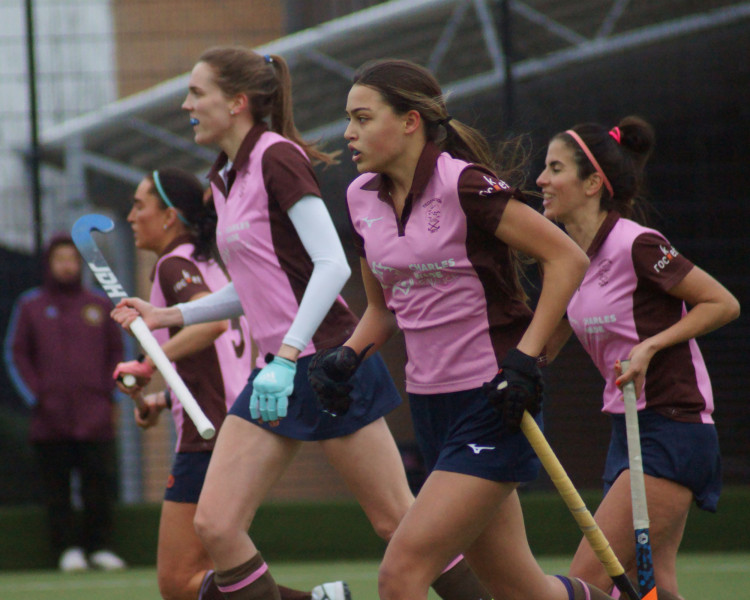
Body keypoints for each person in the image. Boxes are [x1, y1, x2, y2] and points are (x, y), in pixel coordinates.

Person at [111, 46, 491, 600]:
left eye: (197, 92)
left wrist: (288, 356)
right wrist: (169, 314)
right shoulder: (222, 177)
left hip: (327, 365)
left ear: (238, 102)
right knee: (216, 525)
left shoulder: (276, 157)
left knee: (398, 526)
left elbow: (332, 265)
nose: (186, 103)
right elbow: (262, 282)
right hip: (278, 371)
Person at [320, 57, 616, 600]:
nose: (348, 132)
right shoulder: (360, 197)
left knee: (401, 574)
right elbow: (382, 309)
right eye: (349, 119)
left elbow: (568, 260)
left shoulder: (466, 186)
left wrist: (527, 360)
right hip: (431, 404)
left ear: (410, 121)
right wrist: (346, 357)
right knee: (519, 588)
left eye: (362, 117)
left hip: (493, 399)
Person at [113, 168, 341, 600]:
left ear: (169, 217)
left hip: (210, 429)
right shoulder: (208, 262)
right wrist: (161, 399)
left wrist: (146, 364)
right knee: (203, 571)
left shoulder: (173, 264)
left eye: (140, 205)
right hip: (231, 415)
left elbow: (212, 325)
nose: (130, 216)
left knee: (181, 580)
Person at [536, 116, 740, 597]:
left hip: (673, 427)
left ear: (591, 184)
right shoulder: (568, 260)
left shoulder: (637, 244)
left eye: (554, 167)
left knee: (587, 580)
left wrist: (650, 344)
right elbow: (540, 347)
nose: (541, 180)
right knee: (656, 588)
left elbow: (722, 303)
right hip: (626, 430)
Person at [4, 234, 126, 572]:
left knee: (98, 483)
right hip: (50, 419)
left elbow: (119, 354)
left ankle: (100, 547)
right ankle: (67, 549)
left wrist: (109, 395)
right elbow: (16, 354)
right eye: (60, 259)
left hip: (95, 415)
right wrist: (38, 397)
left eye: (72, 259)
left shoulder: (100, 305)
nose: (67, 265)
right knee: (57, 487)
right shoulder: (31, 305)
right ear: (49, 264)